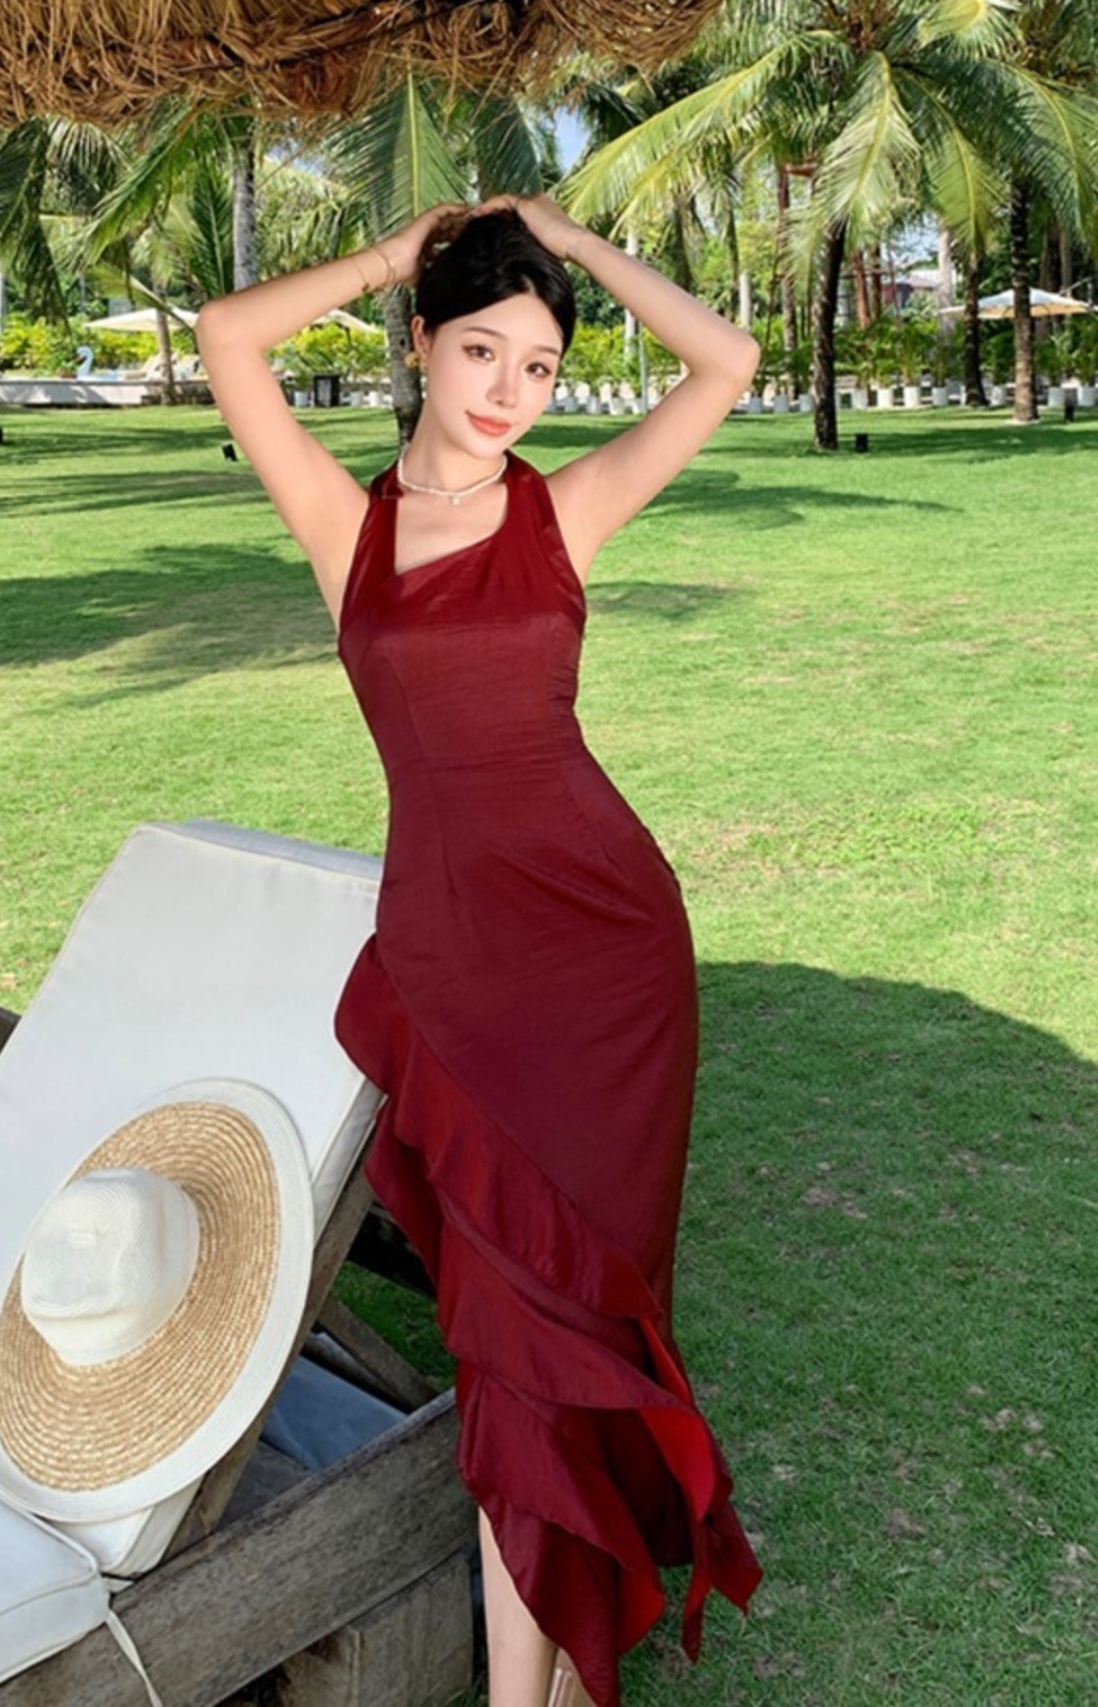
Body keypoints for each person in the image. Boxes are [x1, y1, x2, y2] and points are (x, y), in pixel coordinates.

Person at [196, 194, 763, 1707]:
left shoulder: (559, 513)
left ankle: (541, 1681)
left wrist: (571, 246)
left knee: (587, 1320)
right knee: (513, 1341)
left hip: (611, 960)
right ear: (420, 346)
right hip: (459, 975)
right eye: (481, 350)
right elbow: (228, 335)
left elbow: (725, 361)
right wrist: (399, 249)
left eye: (542, 365)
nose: (512, 389)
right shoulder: (351, 530)